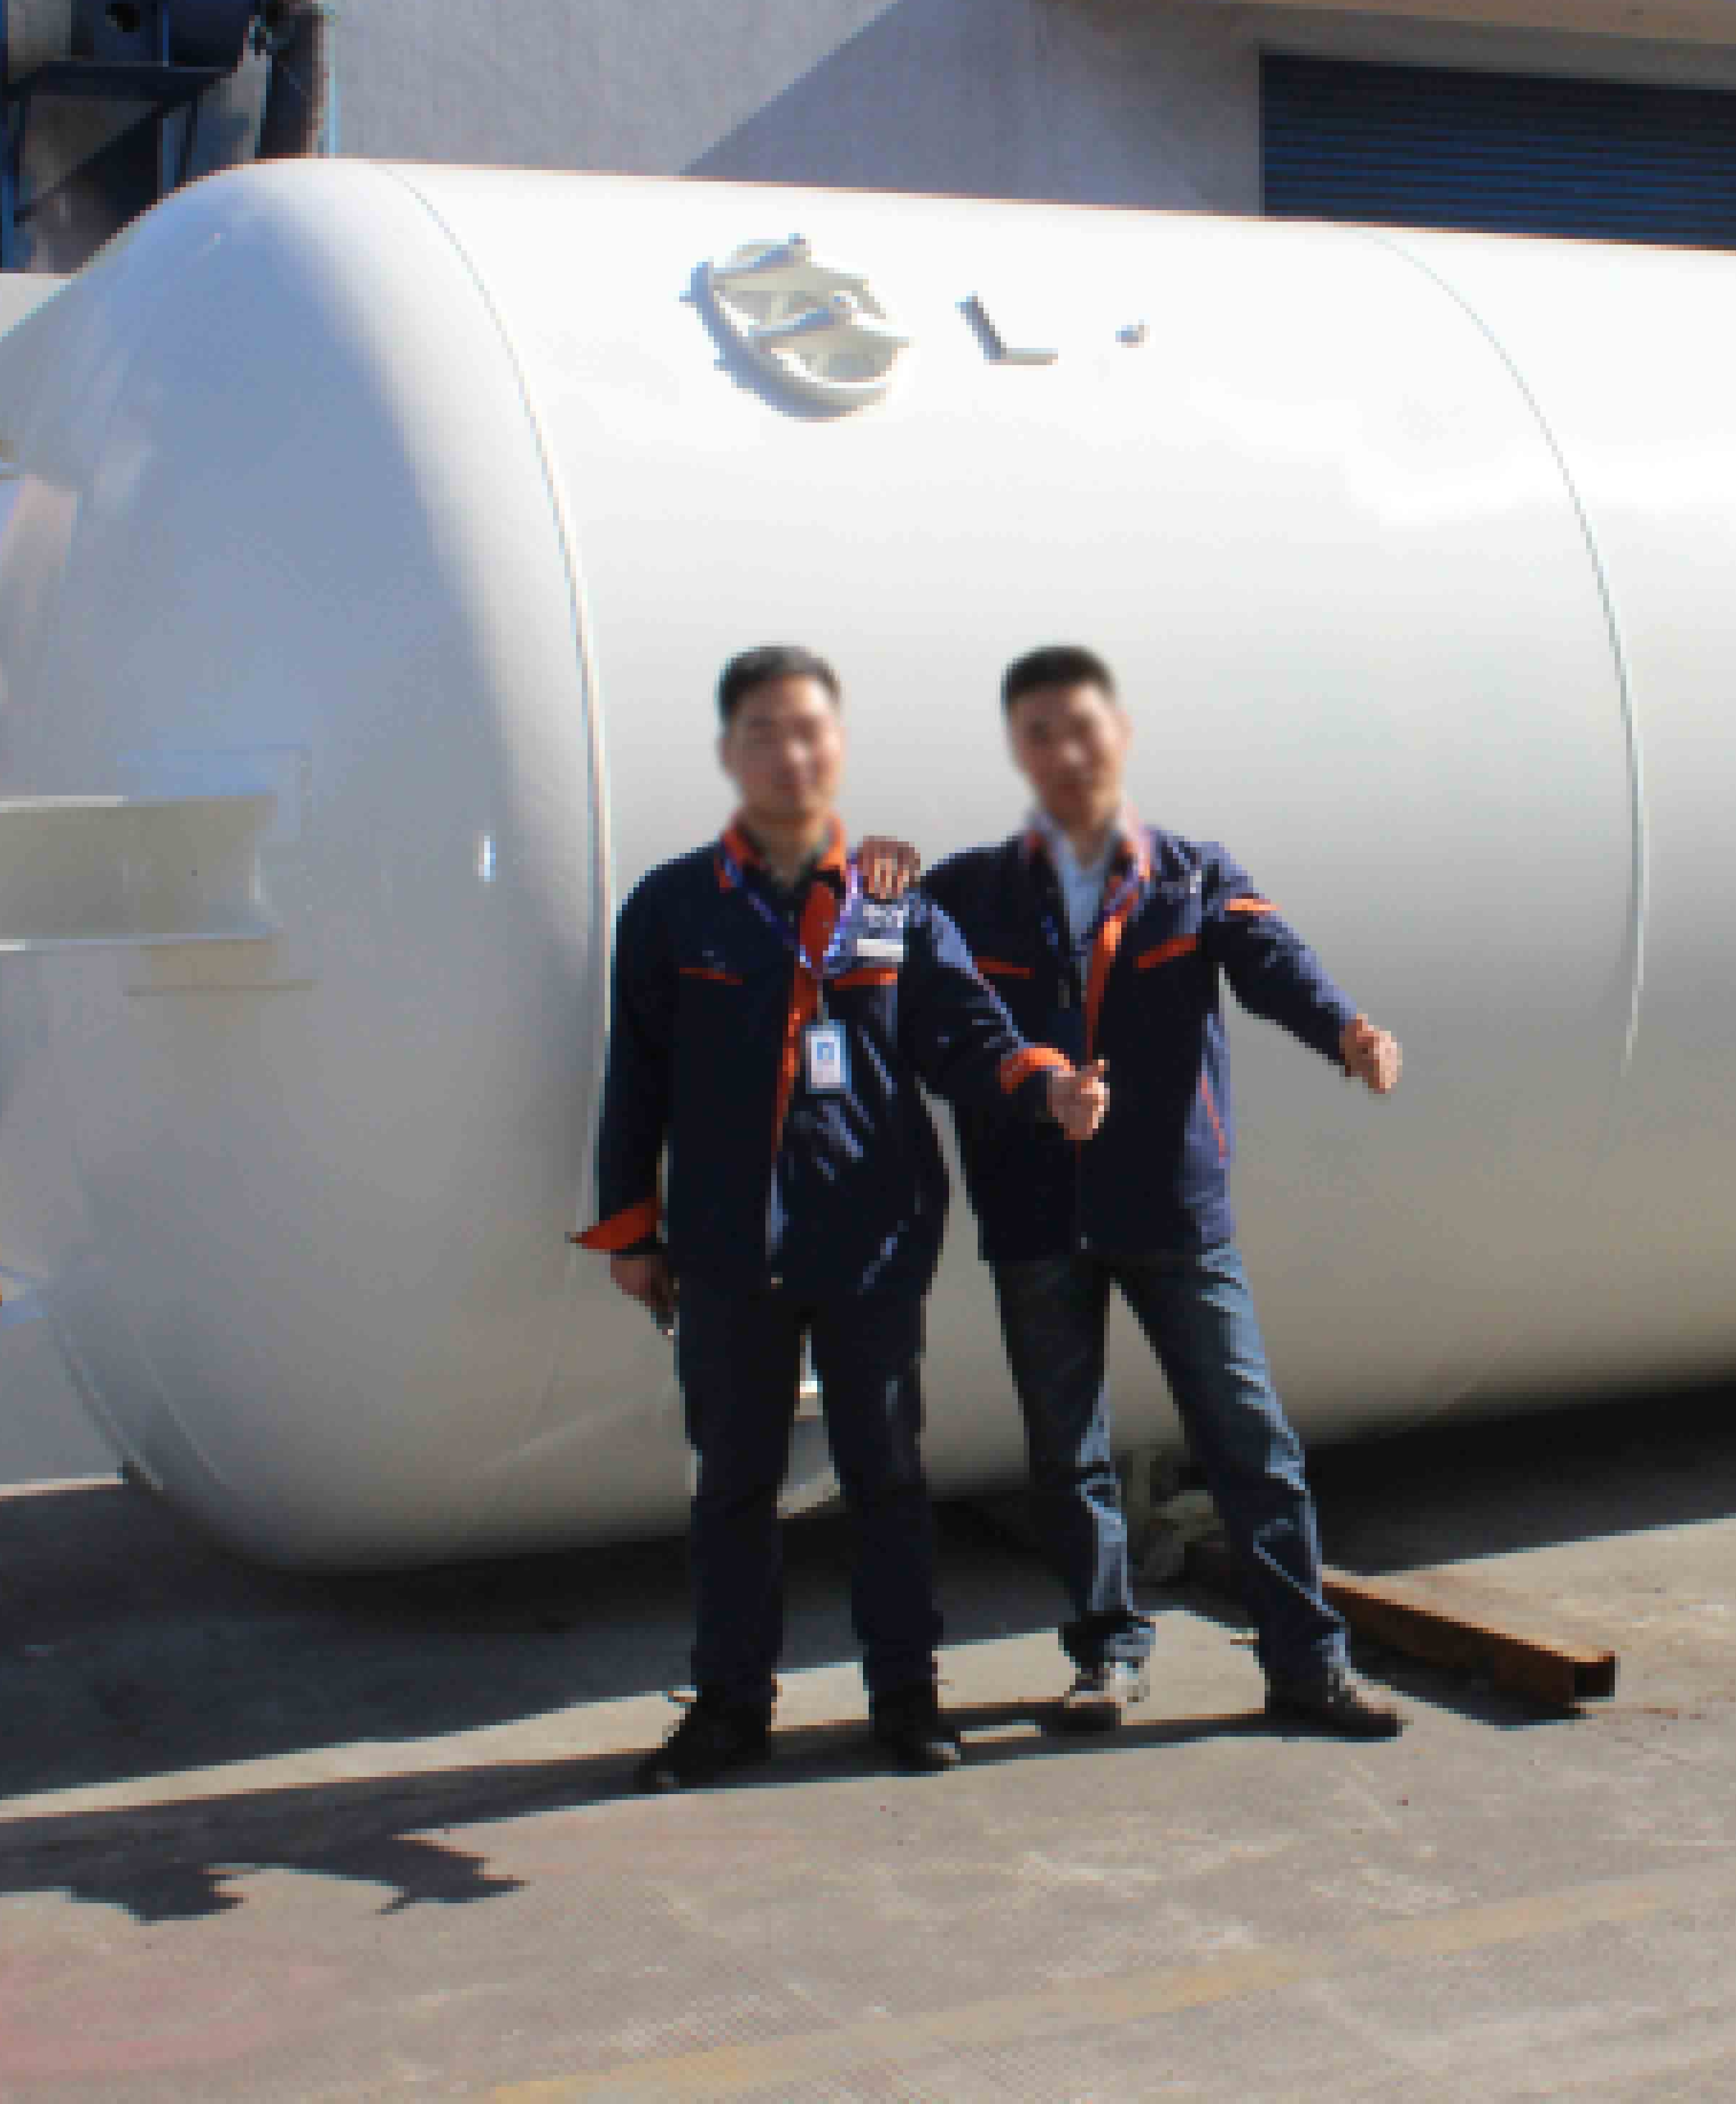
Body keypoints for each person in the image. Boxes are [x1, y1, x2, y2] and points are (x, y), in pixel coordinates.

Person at [575, 644, 1108, 1792]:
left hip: (871, 1241)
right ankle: (729, 1709)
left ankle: (906, 1699)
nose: (790, 752)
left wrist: (1048, 1086)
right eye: (763, 732)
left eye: (809, 729)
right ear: (730, 753)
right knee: (733, 1487)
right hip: (727, 1248)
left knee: (888, 1480)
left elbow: (966, 1035)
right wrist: (631, 1232)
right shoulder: (674, 907)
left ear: (839, 746)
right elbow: (637, 1079)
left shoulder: (893, 903)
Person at [920, 645, 1409, 1740]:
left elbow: (1272, 959)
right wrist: (874, 873)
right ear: (1019, 752)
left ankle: (1308, 1666)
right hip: (1035, 1210)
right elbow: (927, 1006)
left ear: (1121, 735)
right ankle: (1106, 1655)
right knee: (1067, 1454)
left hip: (1172, 1210)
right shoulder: (968, 892)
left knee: (1249, 1438)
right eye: (1040, 733)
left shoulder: (1192, 874)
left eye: (1083, 727)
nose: (1066, 751)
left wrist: (1346, 1032)